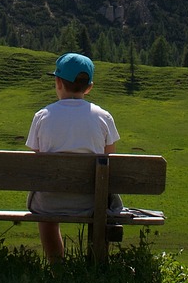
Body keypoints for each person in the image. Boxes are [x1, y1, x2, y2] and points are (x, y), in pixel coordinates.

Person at [25, 52, 120, 261]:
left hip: (49, 201)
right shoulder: (103, 117)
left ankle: (56, 264)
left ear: (58, 82)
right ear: (89, 87)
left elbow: (37, 159)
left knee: (46, 212)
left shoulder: (42, 116)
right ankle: (96, 263)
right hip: (92, 200)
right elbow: (109, 157)